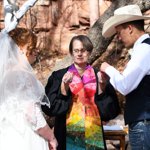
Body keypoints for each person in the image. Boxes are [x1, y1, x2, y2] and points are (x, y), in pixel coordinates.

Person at [0, 0, 57, 150]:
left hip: (6, 136)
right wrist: (51, 137)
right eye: (32, 47)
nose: (36, 52)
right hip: (26, 138)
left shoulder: (4, 75)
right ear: (21, 48)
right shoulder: (22, 75)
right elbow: (32, 114)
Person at [42, 35, 107, 150]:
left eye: (83, 50)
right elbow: (48, 108)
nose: (79, 54)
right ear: (71, 53)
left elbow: (109, 111)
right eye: (76, 50)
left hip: (94, 134)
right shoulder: (59, 76)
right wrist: (63, 89)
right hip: (66, 136)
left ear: (90, 52)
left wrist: (102, 87)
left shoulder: (99, 76)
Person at [101, 4, 150, 150]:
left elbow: (125, 86)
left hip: (144, 123)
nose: (118, 37)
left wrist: (107, 68)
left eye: (119, 32)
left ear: (129, 28)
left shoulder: (144, 50)